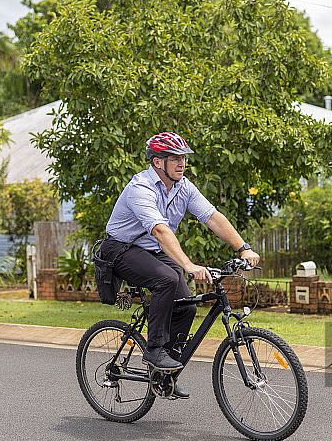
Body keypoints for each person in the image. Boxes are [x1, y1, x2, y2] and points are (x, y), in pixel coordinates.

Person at [100, 132, 260, 398]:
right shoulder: (140, 188)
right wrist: (188, 265)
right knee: (166, 278)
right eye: (174, 158)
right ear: (157, 163)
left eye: (183, 158)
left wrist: (243, 247)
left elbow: (212, 217)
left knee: (186, 305)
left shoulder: (183, 187)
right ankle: (154, 351)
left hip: (151, 251)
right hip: (120, 249)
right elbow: (161, 231)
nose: (181, 163)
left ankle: (165, 374)